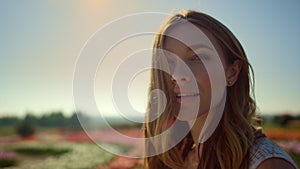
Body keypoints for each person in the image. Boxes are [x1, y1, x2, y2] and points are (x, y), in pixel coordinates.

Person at [143, 10, 298, 169]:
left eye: (197, 57)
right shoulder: (177, 158)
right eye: (168, 62)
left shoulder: (267, 164)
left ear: (231, 72)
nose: (177, 74)